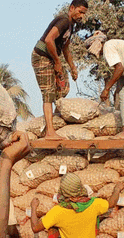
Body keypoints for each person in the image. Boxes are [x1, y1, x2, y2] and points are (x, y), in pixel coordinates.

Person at [32, 0, 89, 139]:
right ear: (72, 8)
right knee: (48, 92)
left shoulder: (71, 26)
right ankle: (50, 132)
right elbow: (49, 40)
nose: (82, 15)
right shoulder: (64, 20)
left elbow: (65, 48)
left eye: (84, 13)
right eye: (80, 12)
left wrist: (72, 67)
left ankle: (55, 123)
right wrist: (57, 62)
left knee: (63, 88)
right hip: (42, 56)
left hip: (51, 58)